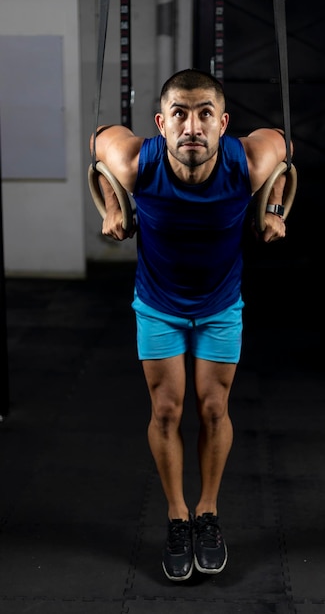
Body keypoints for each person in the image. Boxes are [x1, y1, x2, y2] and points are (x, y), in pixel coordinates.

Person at [90, 68, 293, 582]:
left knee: (212, 406)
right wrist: (114, 204)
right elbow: (99, 142)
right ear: (161, 123)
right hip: (158, 305)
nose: (193, 126)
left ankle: (208, 512)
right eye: (180, 113)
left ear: (223, 124)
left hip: (221, 306)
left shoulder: (244, 162)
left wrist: (271, 207)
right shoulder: (140, 162)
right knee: (165, 411)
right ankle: (177, 516)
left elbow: (281, 147)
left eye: (205, 114)